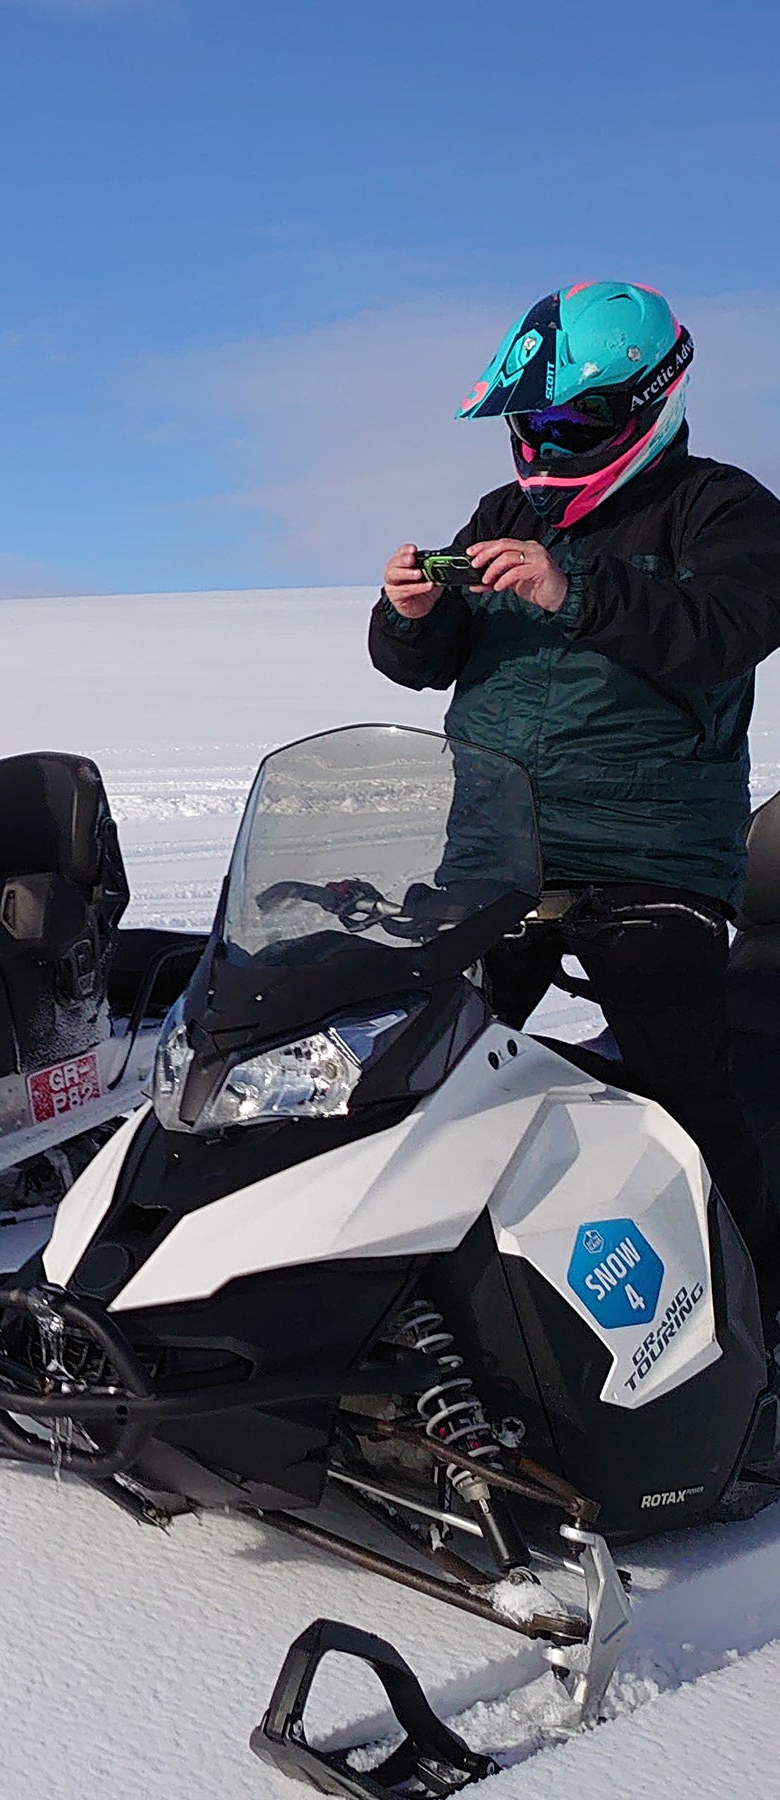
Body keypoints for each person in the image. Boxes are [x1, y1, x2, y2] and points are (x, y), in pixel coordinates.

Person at [373, 280, 780, 1297]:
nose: (546, 446)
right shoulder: (504, 511)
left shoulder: (719, 508)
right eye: (531, 423)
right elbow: (420, 664)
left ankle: (750, 1306)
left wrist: (576, 588)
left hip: (648, 857)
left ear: (654, 399)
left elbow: (727, 629)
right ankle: (412, 1289)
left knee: (681, 1087)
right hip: (496, 847)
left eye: (572, 421)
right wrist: (410, 613)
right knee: (409, 1069)